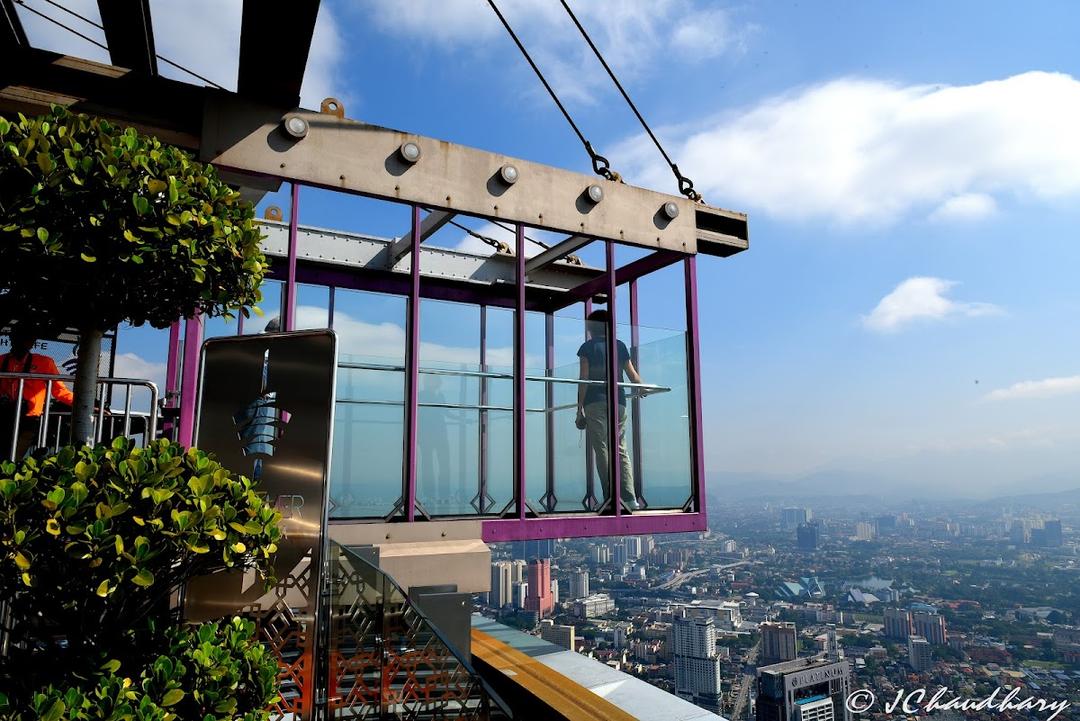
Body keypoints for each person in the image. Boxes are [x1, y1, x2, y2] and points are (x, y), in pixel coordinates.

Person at [576, 309, 644, 511]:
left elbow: (584, 379)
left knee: (602, 449)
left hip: (595, 402)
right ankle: (630, 498)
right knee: (621, 448)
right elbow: (632, 375)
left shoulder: (586, 348)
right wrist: (643, 387)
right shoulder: (620, 346)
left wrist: (579, 408)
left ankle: (610, 498)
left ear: (590, 328)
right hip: (619, 402)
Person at [0, 327, 74, 459]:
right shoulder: (2, 360)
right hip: (4, 415)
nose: (22, 342)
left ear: (32, 342)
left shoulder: (44, 362)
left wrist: (87, 405)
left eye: (27, 339)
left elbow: (59, 391)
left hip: (28, 417)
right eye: (18, 338)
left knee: (13, 458)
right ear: (11, 339)